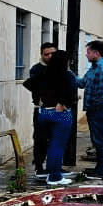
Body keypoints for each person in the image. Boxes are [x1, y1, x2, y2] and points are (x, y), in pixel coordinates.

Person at [30, 50, 78, 186]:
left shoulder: (44, 73)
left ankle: (51, 173)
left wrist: (40, 99)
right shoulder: (67, 75)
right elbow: (72, 95)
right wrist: (63, 103)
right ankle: (55, 176)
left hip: (44, 113)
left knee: (51, 144)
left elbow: (28, 84)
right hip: (60, 114)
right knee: (57, 146)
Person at [76, 40, 103, 183]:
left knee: (101, 141)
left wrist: (95, 105)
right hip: (95, 109)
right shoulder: (94, 68)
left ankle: (101, 171)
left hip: (101, 109)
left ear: (96, 53)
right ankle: (99, 168)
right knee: (97, 140)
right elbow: (82, 83)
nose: (86, 55)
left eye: (88, 52)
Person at [24, 42, 58, 178]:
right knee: (40, 139)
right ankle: (39, 166)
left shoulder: (61, 68)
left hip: (58, 110)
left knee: (56, 139)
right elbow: (34, 85)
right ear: (42, 55)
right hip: (42, 109)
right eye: (46, 54)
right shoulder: (36, 69)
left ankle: (54, 166)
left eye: (52, 54)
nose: (49, 56)